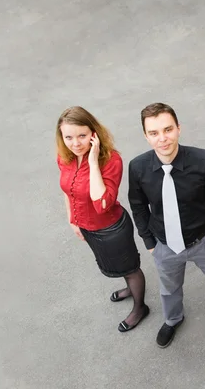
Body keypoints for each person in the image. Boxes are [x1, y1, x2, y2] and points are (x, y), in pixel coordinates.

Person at [128, 102, 205, 348]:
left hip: (203, 240)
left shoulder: (203, 161)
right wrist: (149, 242)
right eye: (154, 133)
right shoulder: (138, 167)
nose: (162, 139)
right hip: (164, 245)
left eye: (167, 129)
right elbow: (138, 206)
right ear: (145, 135)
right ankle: (172, 319)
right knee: (169, 288)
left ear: (178, 129)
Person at [56, 106, 149, 333]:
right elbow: (66, 189)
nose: (75, 143)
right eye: (68, 137)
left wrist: (93, 162)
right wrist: (72, 220)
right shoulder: (65, 157)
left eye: (82, 136)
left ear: (94, 134)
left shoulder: (111, 160)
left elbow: (102, 204)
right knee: (117, 267)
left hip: (111, 229)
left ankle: (140, 307)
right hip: (88, 228)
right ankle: (129, 289)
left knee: (130, 268)